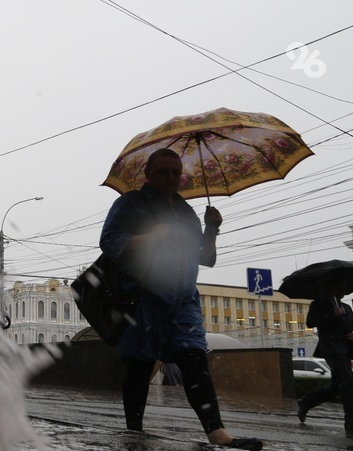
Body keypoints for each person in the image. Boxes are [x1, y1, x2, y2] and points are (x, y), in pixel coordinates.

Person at [100, 148, 262, 450]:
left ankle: (216, 432)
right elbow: (108, 241)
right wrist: (149, 237)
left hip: (184, 301)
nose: (170, 178)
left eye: (176, 172)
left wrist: (212, 229)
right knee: (139, 367)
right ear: (148, 174)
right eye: (163, 172)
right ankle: (134, 430)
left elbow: (206, 258)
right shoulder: (131, 203)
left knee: (195, 359)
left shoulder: (186, 212)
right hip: (142, 299)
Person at [297, 278, 353, 431]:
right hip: (331, 348)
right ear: (331, 289)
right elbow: (310, 322)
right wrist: (332, 315)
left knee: (336, 386)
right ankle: (352, 421)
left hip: (346, 349)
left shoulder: (346, 307)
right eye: (340, 288)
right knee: (348, 381)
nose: (343, 291)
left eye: (345, 289)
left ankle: (306, 402)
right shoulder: (319, 304)